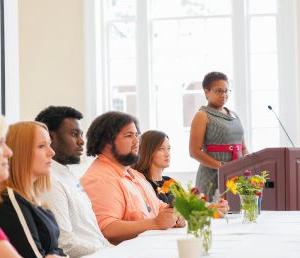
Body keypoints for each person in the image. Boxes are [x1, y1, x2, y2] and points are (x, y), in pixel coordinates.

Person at [81, 111, 185, 244]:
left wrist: (174, 216)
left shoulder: (135, 175)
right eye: (129, 136)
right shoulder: (100, 179)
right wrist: (155, 223)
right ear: (107, 142)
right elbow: (107, 229)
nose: (137, 142)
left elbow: (159, 208)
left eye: (137, 135)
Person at [0, 117, 72, 258]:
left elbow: (55, 254)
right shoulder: (11, 200)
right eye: (42, 146)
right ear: (22, 153)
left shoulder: (37, 203)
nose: (52, 152)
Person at [35, 106, 110, 258]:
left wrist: (112, 250)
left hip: (98, 257)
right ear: (50, 138)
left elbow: (90, 232)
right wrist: (110, 253)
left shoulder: (67, 174)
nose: (82, 141)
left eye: (81, 134)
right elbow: (64, 243)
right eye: (74, 134)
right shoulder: (50, 180)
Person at [189, 71, 248, 199]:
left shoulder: (234, 115)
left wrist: (248, 166)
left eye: (226, 91)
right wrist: (223, 167)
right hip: (211, 177)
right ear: (206, 92)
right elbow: (194, 151)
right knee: (214, 215)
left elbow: (243, 147)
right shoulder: (202, 115)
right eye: (219, 91)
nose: (224, 95)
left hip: (236, 176)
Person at [134, 130, 175, 205]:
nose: (167, 154)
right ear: (148, 152)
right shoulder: (142, 184)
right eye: (161, 149)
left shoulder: (171, 182)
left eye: (168, 148)